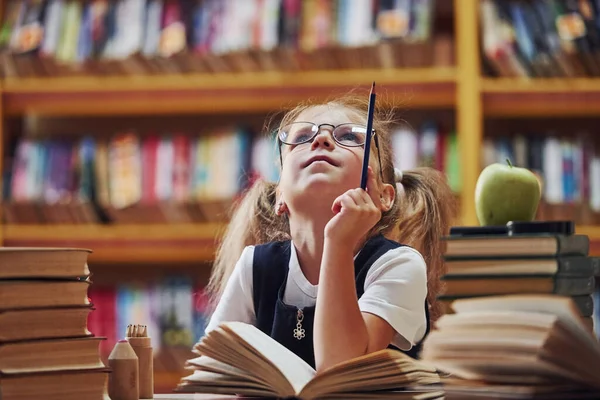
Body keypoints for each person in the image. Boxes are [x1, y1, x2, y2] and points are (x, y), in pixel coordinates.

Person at [204, 93, 456, 372]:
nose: (321, 140)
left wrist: (338, 241)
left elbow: (339, 368)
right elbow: (210, 376)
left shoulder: (399, 265)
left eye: (349, 137)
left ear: (384, 196)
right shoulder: (254, 267)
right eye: (300, 138)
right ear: (280, 197)